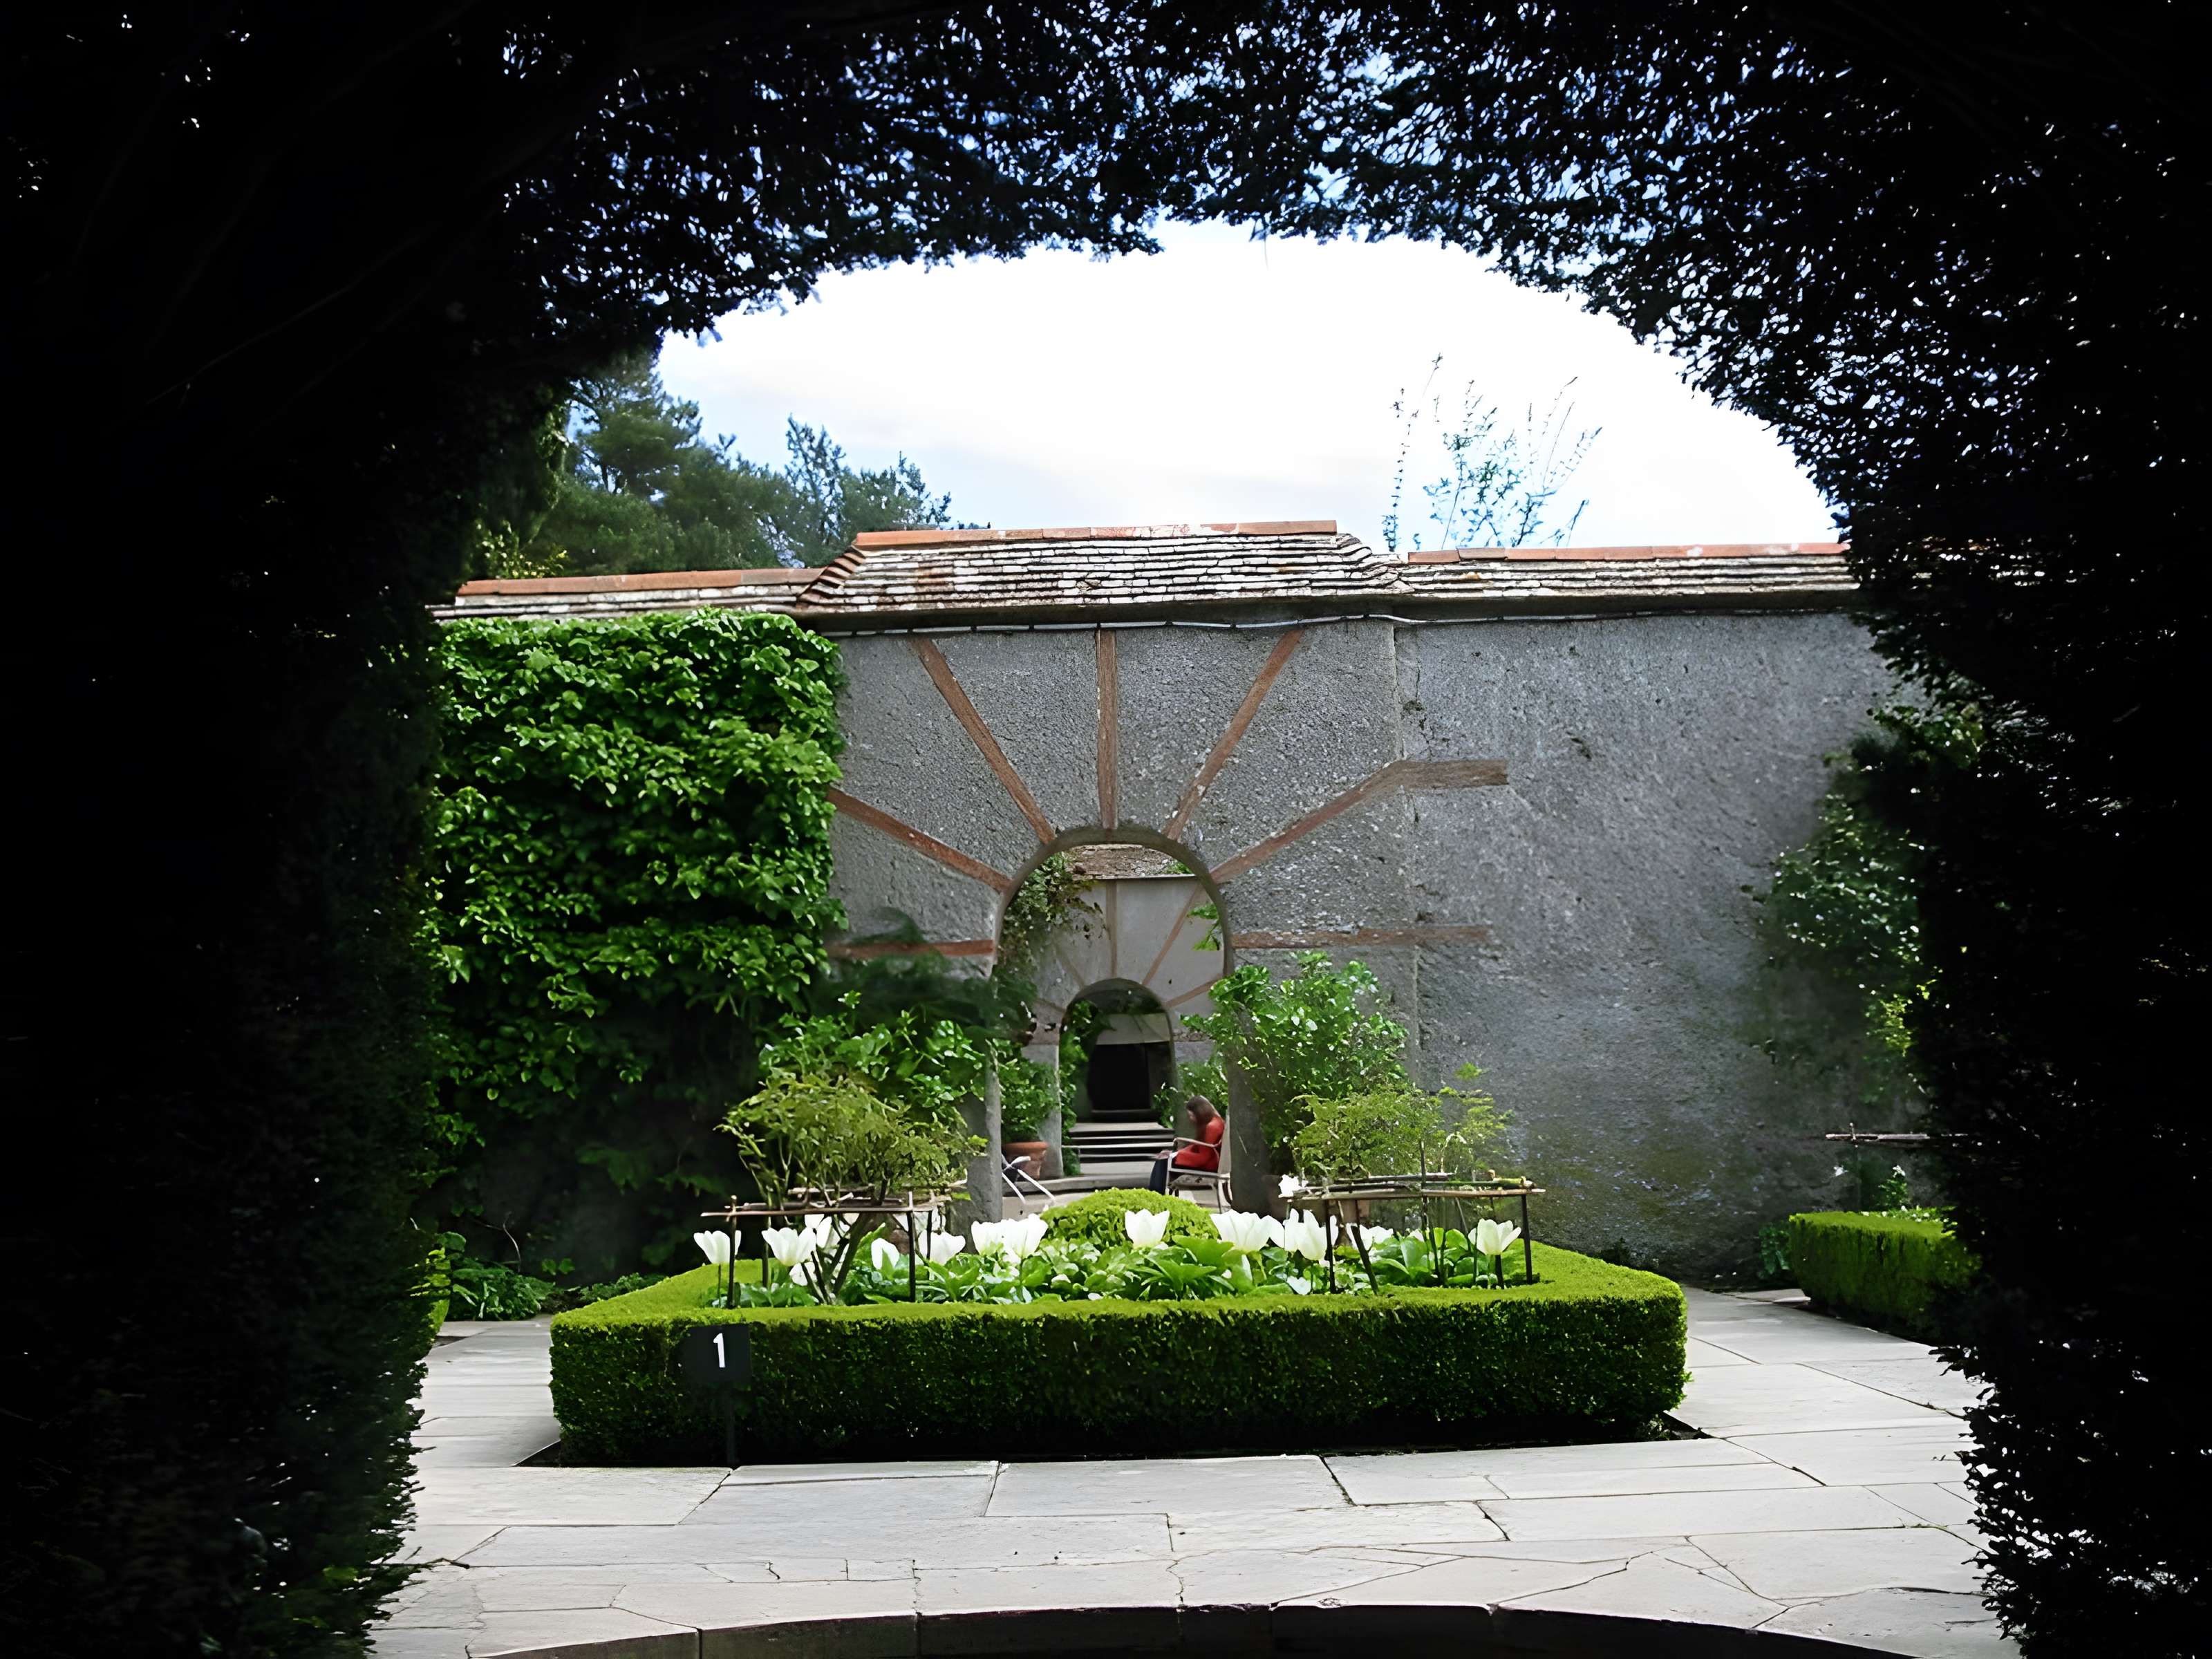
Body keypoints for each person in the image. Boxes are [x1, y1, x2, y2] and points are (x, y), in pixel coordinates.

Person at [1147, 1095, 1223, 1192]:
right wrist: (1176, 1154)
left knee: (1163, 1160)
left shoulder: (1212, 1127)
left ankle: (1156, 1193)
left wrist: (1174, 1155)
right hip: (1208, 1161)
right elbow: (1200, 1146)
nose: (1191, 1119)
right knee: (1164, 1157)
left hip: (1208, 1165)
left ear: (1200, 1113)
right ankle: (1156, 1193)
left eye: (1192, 1116)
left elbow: (1203, 1157)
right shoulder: (1215, 1122)